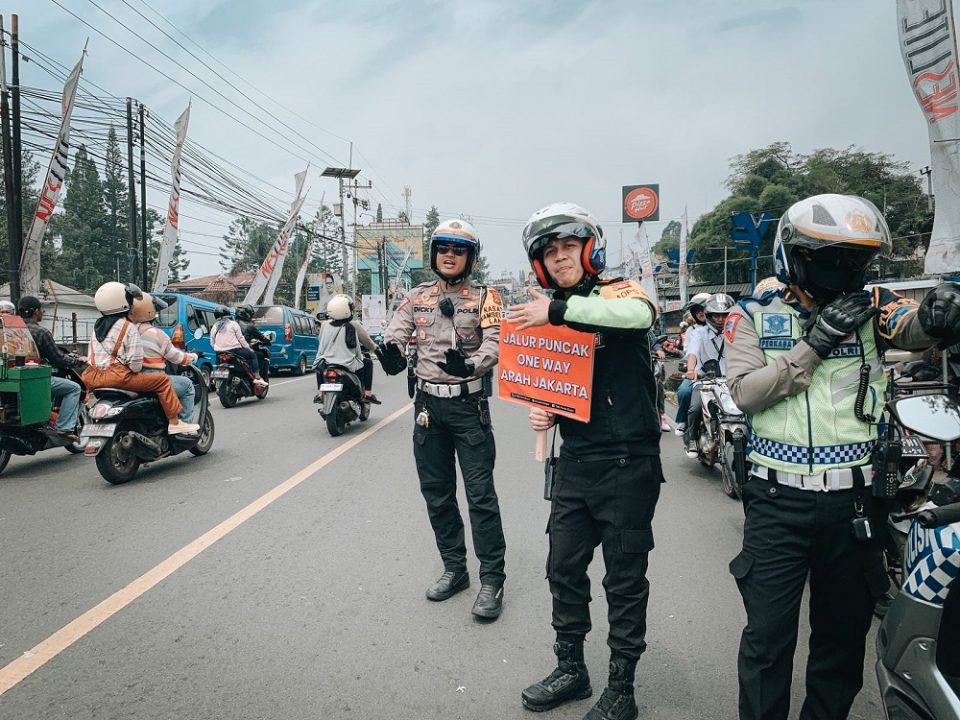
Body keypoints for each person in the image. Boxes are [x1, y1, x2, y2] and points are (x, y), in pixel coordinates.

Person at [725, 193, 959, 720]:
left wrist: (940, 314)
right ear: (797, 257)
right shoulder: (754, 314)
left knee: (842, 641)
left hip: (855, 504)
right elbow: (744, 392)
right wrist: (815, 343)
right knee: (767, 641)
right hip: (776, 502)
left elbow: (914, 326)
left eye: (857, 260)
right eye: (832, 259)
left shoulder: (875, 305)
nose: (846, 271)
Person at [510, 202, 662, 720]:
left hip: (628, 463)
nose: (560, 258)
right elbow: (560, 382)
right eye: (549, 252)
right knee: (562, 568)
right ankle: (572, 669)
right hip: (574, 462)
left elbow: (638, 317)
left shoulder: (618, 293)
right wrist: (547, 410)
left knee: (623, 579)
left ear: (589, 248)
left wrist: (556, 311)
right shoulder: (550, 311)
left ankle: (623, 687)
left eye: (568, 247)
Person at [378, 218, 507, 621]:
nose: (450, 255)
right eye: (443, 248)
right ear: (435, 255)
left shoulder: (487, 296)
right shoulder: (416, 296)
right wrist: (393, 352)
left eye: (458, 249)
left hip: (469, 408)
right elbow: (396, 331)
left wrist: (471, 363)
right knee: (437, 494)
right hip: (428, 409)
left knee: (480, 496)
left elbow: (497, 341)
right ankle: (455, 569)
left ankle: (492, 579)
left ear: (470, 257)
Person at [83, 282, 199, 435]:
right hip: (117, 378)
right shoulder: (129, 327)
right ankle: (175, 422)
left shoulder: (97, 327)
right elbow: (136, 366)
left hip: (93, 377)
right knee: (163, 381)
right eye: (129, 300)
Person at [18, 295, 87, 441]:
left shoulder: (11, 330)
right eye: (41, 310)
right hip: (36, 379)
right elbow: (59, 358)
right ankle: (64, 427)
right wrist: (79, 362)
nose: (42, 313)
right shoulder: (41, 332)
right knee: (74, 388)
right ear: (36, 311)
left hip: (13, 379)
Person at [130, 293, 198, 423]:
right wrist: (194, 356)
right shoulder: (157, 334)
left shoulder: (127, 332)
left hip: (131, 379)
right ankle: (184, 426)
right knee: (188, 385)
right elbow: (177, 358)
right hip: (154, 379)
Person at [683, 293, 734, 458]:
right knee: (695, 407)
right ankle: (692, 439)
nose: (720, 319)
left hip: (732, 380)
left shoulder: (737, 331)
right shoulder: (699, 332)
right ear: (708, 315)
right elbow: (692, 353)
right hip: (706, 380)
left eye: (724, 315)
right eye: (716, 315)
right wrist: (691, 370)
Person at [316, 294, 380, 404]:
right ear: (347, 309)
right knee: (368, 363)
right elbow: (362, 345)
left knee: (319, 367)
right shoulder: (353, 325)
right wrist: (375, 349)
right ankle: (368, 394)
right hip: (347, 363)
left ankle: (320, 393)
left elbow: (321, 342)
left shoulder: (325, 325)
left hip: (326, 361)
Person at [674, 292, 710, 436]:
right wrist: (690, 369)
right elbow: (691, 353)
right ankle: (683, 420)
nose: (701, 313)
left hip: (721, 373)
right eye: (697, 310)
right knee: (684, 391)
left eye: (704, 309)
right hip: (698, 372)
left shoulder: (722, 328)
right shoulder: (692, 331)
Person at [209, 306, 267, 387]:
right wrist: (248, 348)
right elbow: (241, 338)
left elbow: (212, 341)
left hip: (219, 352)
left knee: (218, 366)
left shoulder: (214, 326)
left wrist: (218, 348)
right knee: (253, 355)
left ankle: (215, 379)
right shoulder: (233, 324)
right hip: (234, 351)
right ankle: (257, 378)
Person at [235, 304, 272, 378]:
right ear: (247, 314)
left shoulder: (232, 323)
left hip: (230, 350)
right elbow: (261, 337)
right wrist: (266, 340)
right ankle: (257, 376)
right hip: (242, 350)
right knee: (259, 355)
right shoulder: (249, 326)